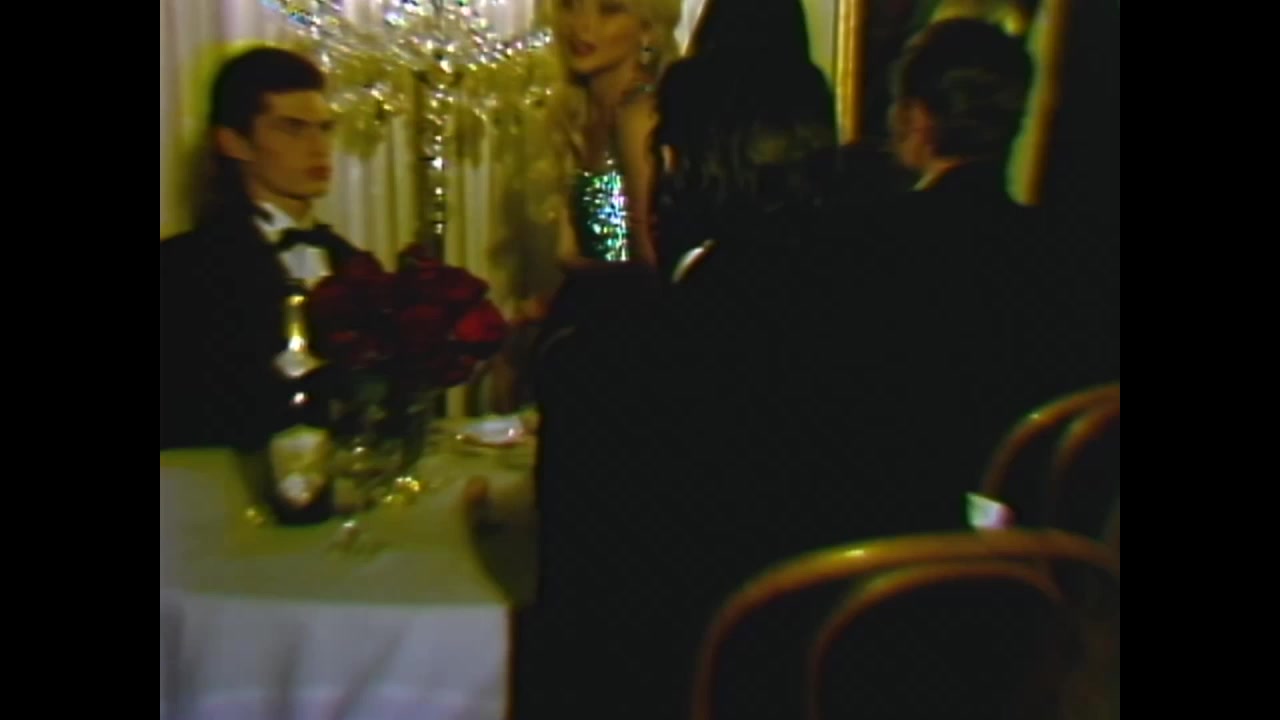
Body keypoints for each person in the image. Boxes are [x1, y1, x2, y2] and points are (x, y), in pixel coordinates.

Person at [159, 47, 373, 451]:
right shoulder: (182, 269)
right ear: (233, 142)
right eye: (293, 129)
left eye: (324, 129)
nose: (318, 147)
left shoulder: (352, 262)